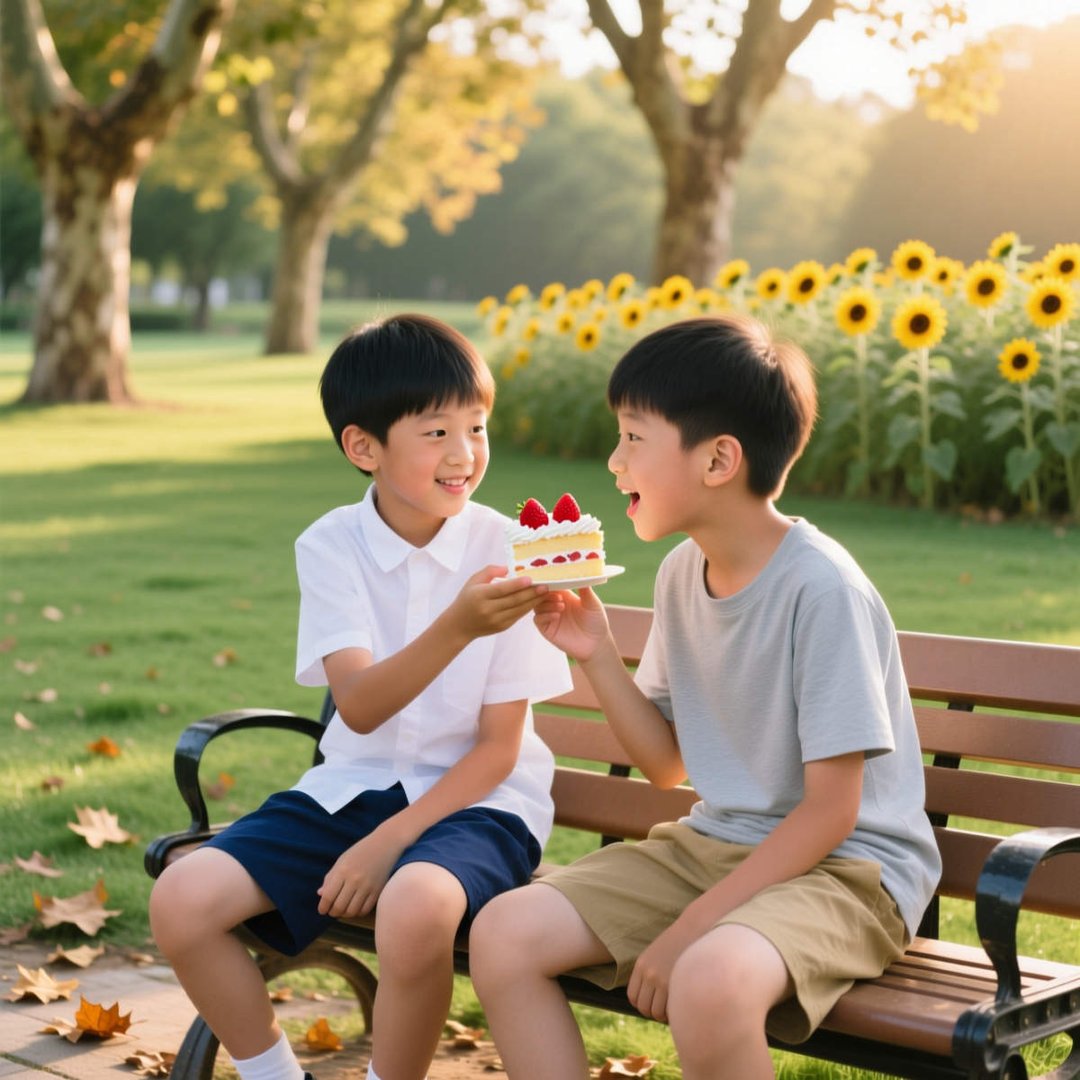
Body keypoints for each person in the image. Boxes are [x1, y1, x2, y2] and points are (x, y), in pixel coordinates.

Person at [469, 314, 942, 1080]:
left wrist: (695, 923)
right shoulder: (681, 573)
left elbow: (833, 811)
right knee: (505, 933)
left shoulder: (822, 590)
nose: (614, 461)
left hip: (849, 871)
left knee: (709, 979)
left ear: (719, 459)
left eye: (632, 437)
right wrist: (596, 655)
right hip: (718, 845)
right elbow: (666, 767)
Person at [150, 313, 571, 1080]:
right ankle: (274, 1075)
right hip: (352, 786)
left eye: (477, 427)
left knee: (414, 908)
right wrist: (456, 626)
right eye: (437, 433)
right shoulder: (331, 544)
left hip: (484, 804)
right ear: (363, 447)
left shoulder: (509, 551)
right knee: (181, 900)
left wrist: (384, 845)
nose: (465, 454)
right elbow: (363, 707)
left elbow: (500, 751)